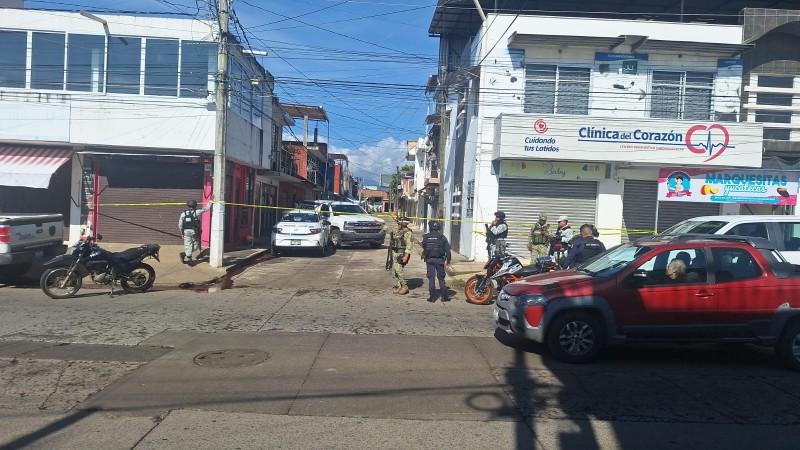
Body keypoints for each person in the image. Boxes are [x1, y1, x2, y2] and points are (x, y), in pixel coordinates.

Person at [421, 220, 452, 302]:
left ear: (430, 227)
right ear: (438, 227)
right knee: (441, 278)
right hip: (440, 260)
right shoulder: (442, 237)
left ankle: (432, 297)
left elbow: (424, 247)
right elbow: (448, 251)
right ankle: (444, 297)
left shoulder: (426, 237)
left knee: (431, 278)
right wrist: (448, 262)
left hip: (429, 260)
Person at [178, 197, 213, 265]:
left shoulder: (183, 214)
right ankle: (189, 260)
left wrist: (182, 233)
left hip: (186, 232)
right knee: (196, 246)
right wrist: (211, 202)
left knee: (188, 245)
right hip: (194, 232)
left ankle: (185, 254)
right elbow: (206, 209)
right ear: (195, 205)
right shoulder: (197, 212)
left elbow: (180, 225)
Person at [387, 216, 414, 295]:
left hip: (402, 254)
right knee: (396, 271)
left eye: (399, 223)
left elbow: (409, 245)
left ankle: (404, 286)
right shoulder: (398, 231)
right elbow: (389, 230)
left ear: (403, 224)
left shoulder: (408, 233)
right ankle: (399, 286)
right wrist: (381, 225)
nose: (397, 224)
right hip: (395, 252)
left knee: (399, 270)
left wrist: (406, 256)